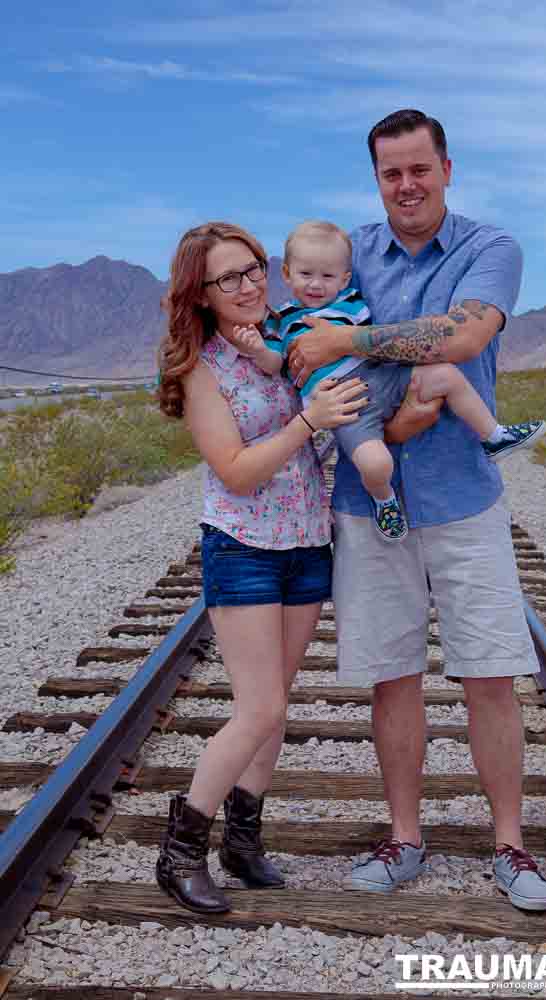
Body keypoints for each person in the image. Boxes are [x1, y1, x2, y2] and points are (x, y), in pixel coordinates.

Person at [287, 110, 546, 911]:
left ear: (446, 168)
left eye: (418, 170)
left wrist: (350, 346)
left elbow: (461, 336)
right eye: (389, 173)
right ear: (375, 178)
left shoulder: (489, 248)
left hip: (461, 496)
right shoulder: (351, 252)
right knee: (392, 677)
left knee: (489, 675)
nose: (405, 186)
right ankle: (404, 837)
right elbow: (303, 338)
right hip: (369, 506)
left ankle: (509, 846)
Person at [155, 221, 365, 914]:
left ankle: (243, 842)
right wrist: (309, 421)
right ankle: (181, 848)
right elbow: (238, 473)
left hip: (306, 543)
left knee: (274, 710)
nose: (248, 285)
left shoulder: (285, 336)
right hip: (243, 546)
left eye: (253, 269)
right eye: (228, 278)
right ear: (202, 293)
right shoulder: (201, 370)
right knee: (260, 707)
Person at [242, 218, 546, 542]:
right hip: (347, 406)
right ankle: (384, 500)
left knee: (445, 374)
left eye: (327, 276)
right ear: (287, 274)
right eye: (306, 275)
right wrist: (257, 350)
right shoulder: (282, 320)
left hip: (382, 376)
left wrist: (342, 341)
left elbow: (390, 336)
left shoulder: (352, 304)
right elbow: (275, 363)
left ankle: (493, 435)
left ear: (344, 278)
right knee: (375, 464)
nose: (316, 284)